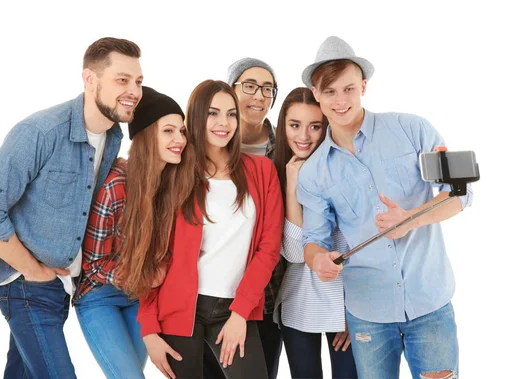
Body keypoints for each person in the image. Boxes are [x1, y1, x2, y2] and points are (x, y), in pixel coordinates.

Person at [0, 37, 143, 378]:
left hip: (63, 285)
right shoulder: (40, 132)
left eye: (138, 81)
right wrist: (32, 269)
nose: (133, 90)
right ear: (90, 79)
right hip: (25, 282)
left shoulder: (115, 136)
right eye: (122, 79)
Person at [298, 36, 473, 379]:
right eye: (329, 91)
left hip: (430, 303)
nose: (340, 100)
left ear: (363, 85)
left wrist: (411, 219)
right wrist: (318, 259)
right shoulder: (313, 173)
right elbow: (313, 240)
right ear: (316, 94)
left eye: (348, 88)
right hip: (369, 315)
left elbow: (460, 195)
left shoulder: (411, 129)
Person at [138, 80, 283, 379]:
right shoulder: (175, 173)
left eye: (231, 114)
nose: (223, 123)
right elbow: (151, 256)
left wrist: (241, 312)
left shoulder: (261, 171)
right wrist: (149, 329)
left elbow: (268, 249)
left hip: (234, 305)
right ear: (196, 116)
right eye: (213, 113)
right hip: (179, 309)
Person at [73, 87, 194, 379]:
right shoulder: (116, 183)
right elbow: (93, 263)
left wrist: (159, 272)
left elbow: (170, 252)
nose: (179, 140)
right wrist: (142, 277)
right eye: (168, 131)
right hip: (99, 295)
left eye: (181, 130)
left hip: (140, 298)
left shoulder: (174, 186)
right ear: (146, 135)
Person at [201, 58, 283, 379]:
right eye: (249, 86)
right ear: (231, 90)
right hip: (210, 294)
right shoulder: (201, 147)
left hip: (270, 291)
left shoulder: (285, 147)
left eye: (267, 89)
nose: (259, 96)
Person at [272, 87, 358, 379]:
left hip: (345, 301)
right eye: (295, 125)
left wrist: (356, 311)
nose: (304, 136)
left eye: (315, 126)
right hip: (300, 300)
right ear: (283, 126)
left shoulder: (345, 167)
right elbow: (296, 253)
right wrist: (292, 184)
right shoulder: (277, 172)